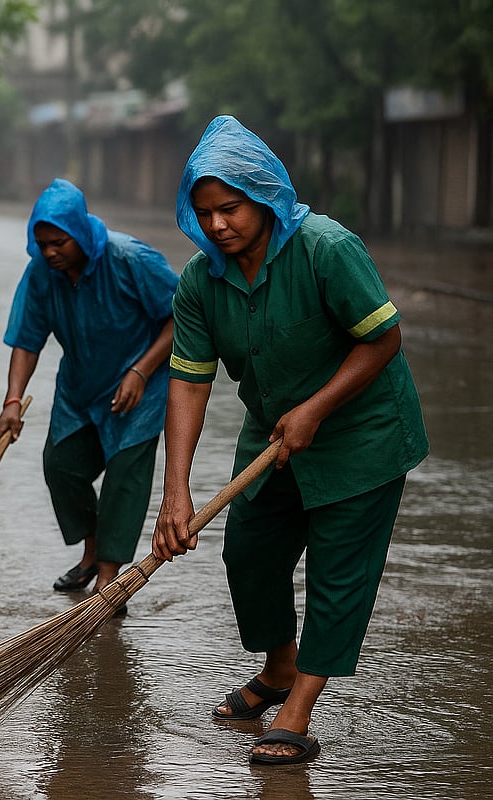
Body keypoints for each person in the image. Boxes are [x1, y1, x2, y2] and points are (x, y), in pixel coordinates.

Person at [151, 115, 429, 765]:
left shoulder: (326, 249)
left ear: (265, 194)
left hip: (363, 431)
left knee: (338, 575)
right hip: (273, 423)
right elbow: (189, 382)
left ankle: (297, 712)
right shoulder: (199, 281)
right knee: (249, 550)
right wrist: (175, 492)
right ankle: (279, 667)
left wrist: (317, 409)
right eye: (206, 213)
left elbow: (383, 338)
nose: (219, 225)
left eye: (231, 208)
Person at [0, 178, 179, 598]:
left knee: (123, 483)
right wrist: (12, 401)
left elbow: (180, 317)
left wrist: (142, 371)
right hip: (79, 389)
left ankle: (108, 581)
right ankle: (92, 552)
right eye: (42, 244)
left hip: (140, 390)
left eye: (59, 242)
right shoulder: (41, 273)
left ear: (79, 231)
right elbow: (26, 339)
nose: (50, 252)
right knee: (61, 467)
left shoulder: (130, 259)